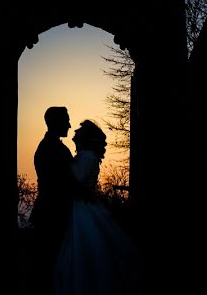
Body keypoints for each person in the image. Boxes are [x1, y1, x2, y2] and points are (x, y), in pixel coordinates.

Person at [54, 120, 139, 295]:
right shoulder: (88, 156)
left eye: (79, 131)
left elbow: (74, 183)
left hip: (81, 208)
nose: (75, 132)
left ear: (85, 137)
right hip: (84, 205)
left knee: (82, 249)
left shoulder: (86, 157)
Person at [30, 106, 74, 295]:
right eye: (67, 120)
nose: (70, 125)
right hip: (51, 213)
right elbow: (61, 182)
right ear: (57, 122)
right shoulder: (50, 149)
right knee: (49, 264)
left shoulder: (55, 147)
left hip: (53, 212)